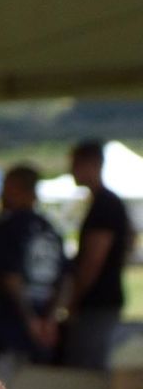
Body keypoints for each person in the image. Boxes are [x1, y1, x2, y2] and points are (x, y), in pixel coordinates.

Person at [0, 165, 66, 381]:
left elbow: (11, 277)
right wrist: (49, 319)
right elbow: (66, 279)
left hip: (11, 326)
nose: (1, 192)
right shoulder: (50, 228)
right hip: (42, 324)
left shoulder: (9, 227)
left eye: (6, 186)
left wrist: (30, 321)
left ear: (18, 189)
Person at [61, 140, 132, 369]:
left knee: (86, 371)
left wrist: (74, 299)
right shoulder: (106, 203)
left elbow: (93, 260)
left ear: (92, 164)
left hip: (97, 302)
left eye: (75, 164)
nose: (71, 170)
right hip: (103, 300)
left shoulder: (105, 205)